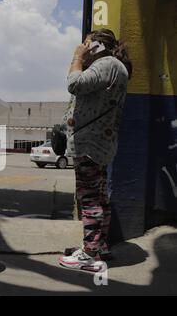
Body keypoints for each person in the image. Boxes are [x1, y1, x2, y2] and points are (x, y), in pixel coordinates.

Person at [59, 29, 132, 272]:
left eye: (87, 44)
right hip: (98, 143)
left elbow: (74, 84)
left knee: (90, 197)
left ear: (96, 46)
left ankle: (89, 255)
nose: (83, 47)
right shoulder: (113, 66)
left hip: (90, 144)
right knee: (100, 197)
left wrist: (77, 57)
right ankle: (98, 246)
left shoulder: (106, 64)